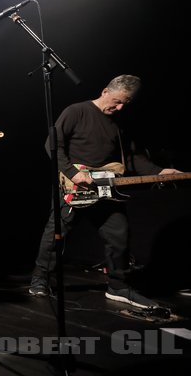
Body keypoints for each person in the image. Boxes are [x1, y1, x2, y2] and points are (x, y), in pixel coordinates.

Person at [29, 74, 183, 308]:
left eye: (126, 103)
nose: (120, 107)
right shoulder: (76, 111)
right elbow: (52, 145)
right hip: (75, 186)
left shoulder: (118, 124)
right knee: (55, 235)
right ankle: (40, 279)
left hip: (106, 187)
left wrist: (159, 171)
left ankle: (118, 286)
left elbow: (130, 158)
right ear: (105, 91)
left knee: (119, 233)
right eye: (118, 101)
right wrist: (73, 173)